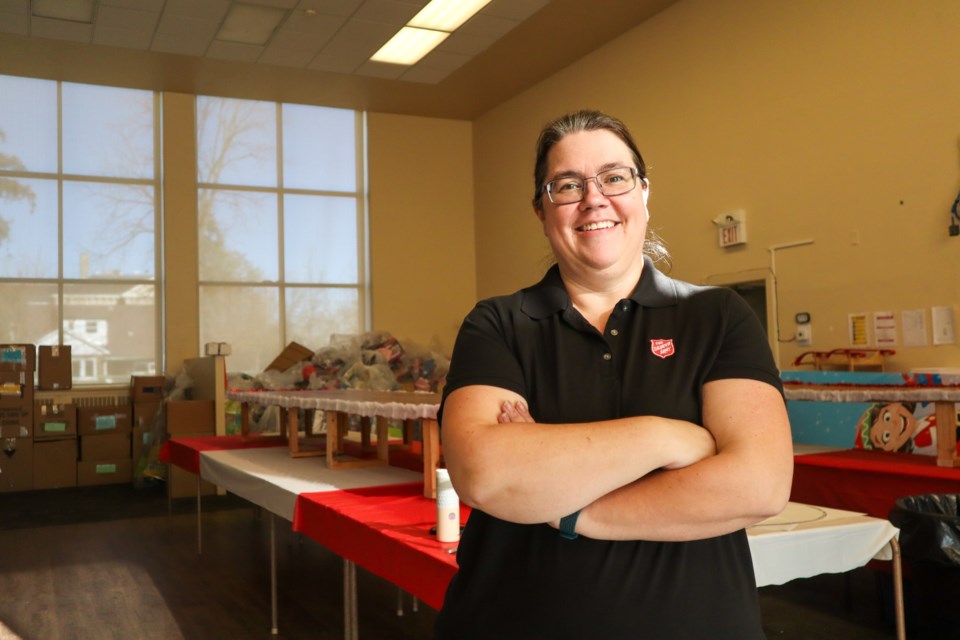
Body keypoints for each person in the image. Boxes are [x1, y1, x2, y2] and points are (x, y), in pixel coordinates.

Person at [435, 109, 794, 639]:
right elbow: (487, 474)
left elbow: (759, 485)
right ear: (541, 208)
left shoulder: (717, 316)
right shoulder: (499, 323)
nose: (594, 198)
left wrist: (570, 512)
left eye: (614, 177)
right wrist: (669, 437)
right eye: (567, 185)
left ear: (644, 192)